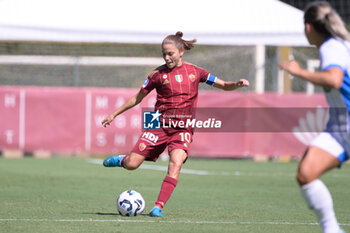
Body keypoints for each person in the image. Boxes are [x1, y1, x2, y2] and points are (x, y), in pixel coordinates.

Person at [101, 31, 249, 217]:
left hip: (183, 128)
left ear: (181, 52)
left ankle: (158, 207)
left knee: (176, 163)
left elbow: (224, 85)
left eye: (170, 53)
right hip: (157, 124)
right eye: (164, 53)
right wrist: (114, 114)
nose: (166, 57)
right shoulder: (157, 75)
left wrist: (237, 84)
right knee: (132, 164)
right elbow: (137, 98)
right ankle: (122, 160)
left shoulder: (196, 72)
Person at [279, 2, 350, 233]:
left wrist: (299, 72)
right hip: (340, 128)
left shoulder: (332, 46)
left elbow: (334, 80)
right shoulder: (339, 45)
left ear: (308, 27)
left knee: (306, 173)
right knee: (306, 173)